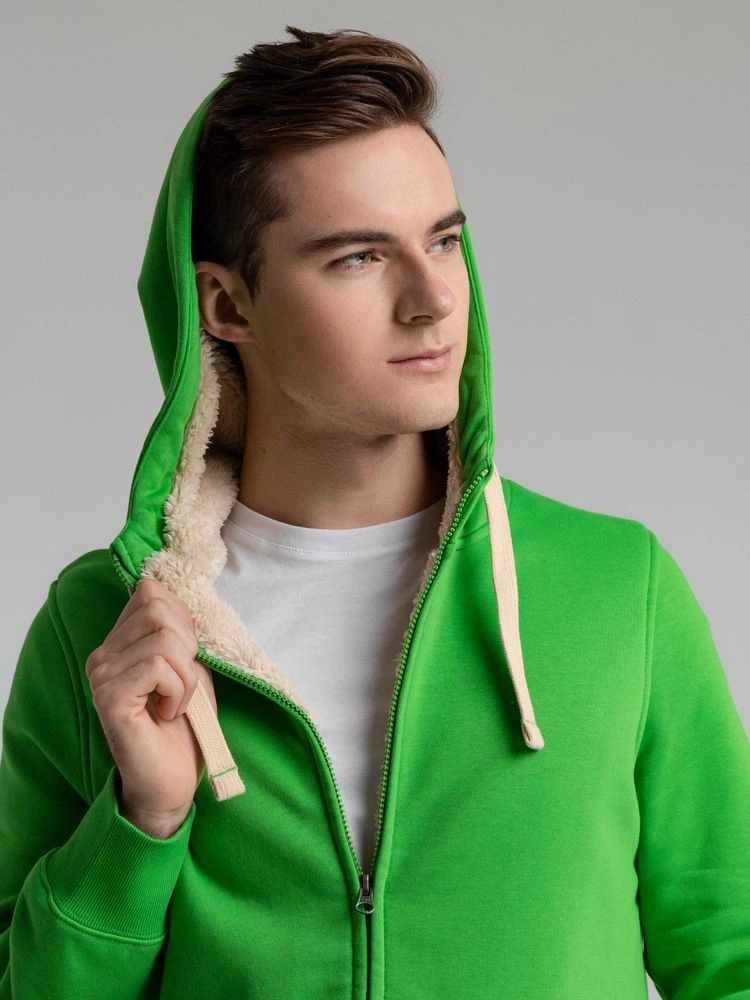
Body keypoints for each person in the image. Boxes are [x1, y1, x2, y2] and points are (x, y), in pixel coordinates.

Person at [0, 24, 748, 1000]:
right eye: (358, 257)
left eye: (444, 240)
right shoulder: (107, 628)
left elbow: (732, 955)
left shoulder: (616, 588)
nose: (433, 298)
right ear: (226, 306)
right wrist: (141, 824)